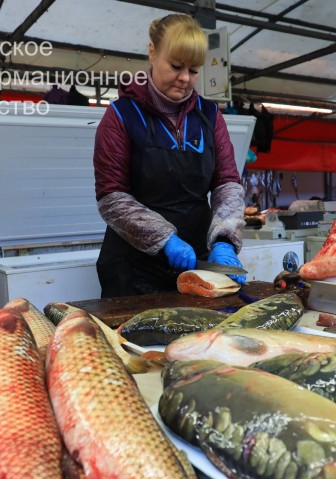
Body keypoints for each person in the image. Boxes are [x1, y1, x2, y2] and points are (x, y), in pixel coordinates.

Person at [93, 13, 246, 297]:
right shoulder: (121, 115)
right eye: (176, 66)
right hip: (133, 269)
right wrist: (165, 239)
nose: (185, 78)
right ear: (152, 53)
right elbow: (111, 198)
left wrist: (225, 238)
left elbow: (227, 183)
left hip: (196, 265)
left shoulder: (210, 116)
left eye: (194, 70)